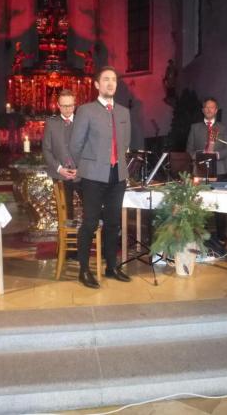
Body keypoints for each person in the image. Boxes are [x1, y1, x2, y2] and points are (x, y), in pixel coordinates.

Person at [69, 66, 132, 289]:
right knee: (90, 222)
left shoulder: (124, 112)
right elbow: (75, 144)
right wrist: (85, 167)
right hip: (93, 176)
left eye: (114, 80)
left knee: (114, 223)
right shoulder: (86, 110)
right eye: (105, 79)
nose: (110, 83)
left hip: (118, 175)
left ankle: (111, 267)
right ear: (96, 84)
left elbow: (125, 144)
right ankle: (84, 270)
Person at [186, 97, 227, 243]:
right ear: (203, 110)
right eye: (207, 107)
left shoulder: (222, 128)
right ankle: (199, 233)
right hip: (199, 170)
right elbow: (189, 149)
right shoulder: (194, 127)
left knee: (220, 203)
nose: (209, 110)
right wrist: (198, 158)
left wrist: (217, 155)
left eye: (212, 107)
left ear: (216, 110)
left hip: (219, 169)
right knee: (199, 202)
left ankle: (221, 234)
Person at [43, 89, 81, 219]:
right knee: (66, 214)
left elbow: (90, 149)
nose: (68, 109)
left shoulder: (83, 122)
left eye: (70, 105)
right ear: (58, 106)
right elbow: (46, 149)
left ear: (75, 104)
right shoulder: (51, 124)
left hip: (82, 175)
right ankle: (68, 237)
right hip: (60, 175)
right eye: (64, 106)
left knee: (91, 209)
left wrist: (80, 169)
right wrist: (59, 169)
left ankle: (89, 236)